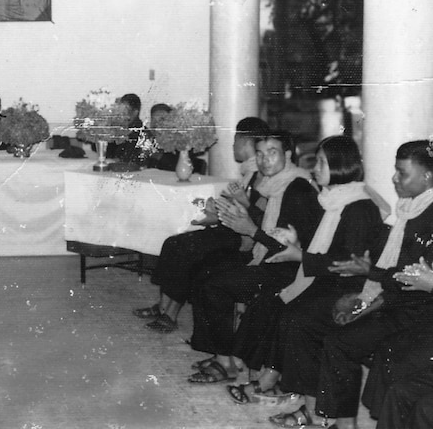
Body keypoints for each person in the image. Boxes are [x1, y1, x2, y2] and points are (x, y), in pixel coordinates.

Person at [226, 136, 385, 405]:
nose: (315, 169)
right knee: (278, 302)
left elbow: (347, 263)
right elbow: (324, 247)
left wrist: (300, 253)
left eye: (322, 162)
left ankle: (297, 394)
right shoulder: (333, 199)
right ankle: (272, 377)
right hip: (326, 277)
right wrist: (298, 244)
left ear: (340, 166)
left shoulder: (358, 206)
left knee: (294, 313)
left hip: (350, 287)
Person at [297, 140, 433, 429]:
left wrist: (371, 280)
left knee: (344, 341)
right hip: (395, 300)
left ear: (427, 177)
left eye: (402, 173)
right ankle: (343, 422)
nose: (394, 179)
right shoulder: (409, 210)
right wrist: (370, 281)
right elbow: (395, 272)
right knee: (328, 330)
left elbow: (412, 281)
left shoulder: (428, 218)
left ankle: (347, 422)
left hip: (416, 312)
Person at [185, 130, 322, 384]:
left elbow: (288, 250)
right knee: (205, 272)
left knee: (215, 285)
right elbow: (270, 228)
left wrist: (250, 229)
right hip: (269, 258)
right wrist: (245, 216)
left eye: (272, 153)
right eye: (259, 154)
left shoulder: (298, 189)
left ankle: (227, 362)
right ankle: (221, 354)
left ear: (288, 155)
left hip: (291, 271)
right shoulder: (276, 183)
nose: (264, 160)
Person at [136, 117, 269, 332]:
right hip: (231, 230)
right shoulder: (249, 171)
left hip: (242, 238)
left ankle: (170, 314)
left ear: (245, 142)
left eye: (235, 140)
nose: (233, 146)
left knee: (188, 249)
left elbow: (260, 214)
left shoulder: (261, 174)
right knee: (173, 243)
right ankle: (162, 306)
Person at [105, 93, 144, 166]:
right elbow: (107, 154)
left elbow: (128, 159)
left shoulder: (141, 133)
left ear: (135, 112)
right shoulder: (118, 129)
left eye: (124, 112)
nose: (119, 115)